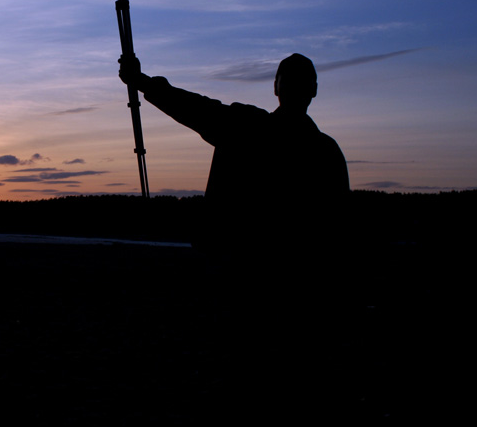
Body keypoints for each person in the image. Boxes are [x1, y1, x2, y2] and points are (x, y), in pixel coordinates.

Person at [118, 52, 350, 266]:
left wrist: (141, 81)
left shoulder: (249, 128)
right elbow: (194, 107)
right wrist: (141, 81)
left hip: (248, 268)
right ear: (314, 90)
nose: (295, 86)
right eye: (292, 80)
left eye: (298, 81)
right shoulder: (327, 151)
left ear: (276, 88)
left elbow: (195, 108)